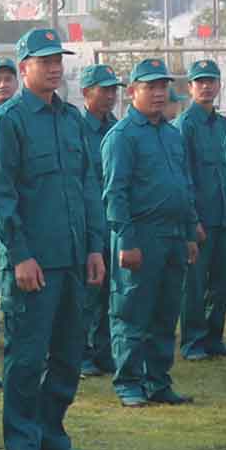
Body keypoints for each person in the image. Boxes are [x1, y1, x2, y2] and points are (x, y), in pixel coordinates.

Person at [0, 25, 105, 450]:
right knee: (27, 354)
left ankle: (52, 432)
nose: (54, 69)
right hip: (33, 260)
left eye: (58, 61)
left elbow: (88, 186)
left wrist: (94, 247)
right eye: (45, 61)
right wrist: (20, 255)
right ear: (24, 67)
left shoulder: (71, 119)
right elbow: (2, 195)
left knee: (70, 353)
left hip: (73, 256)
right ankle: (21, 441)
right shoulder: (9, 121)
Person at [100, 56, 198, 408]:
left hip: (173, 235)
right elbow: (115, 192)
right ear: (132, 91)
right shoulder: (122, 137)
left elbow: (185, 184)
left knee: (165, 312)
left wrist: (189, 232)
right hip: (140, 235)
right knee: (131, 311)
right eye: (150, 87)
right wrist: (126, 241)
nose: (159, 93)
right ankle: (129, 382)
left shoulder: (172, 135)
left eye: (163, 86)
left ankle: (158, 381)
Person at [177, 58, 226, 362]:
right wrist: (192, 220)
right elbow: (183, 176)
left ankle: (214, 337)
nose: (206, 87)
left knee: (220, 283)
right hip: (199, 217)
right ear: (190, 87)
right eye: (200, 82)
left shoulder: (224, 125)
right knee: (195, 283)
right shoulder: (185, 126)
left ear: (219, 85)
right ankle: (193, 341)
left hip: (222, 216)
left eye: (211, 81)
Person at [74, 61, 124, 379]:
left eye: (113, 90)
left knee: (110, 292)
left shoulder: (117, 129)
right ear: (86, 93)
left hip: (114, 224)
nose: (109, 96)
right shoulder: (77, 129)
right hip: (87, 222)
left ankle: (104, 351)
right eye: (103, 90)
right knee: (86, 293)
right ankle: (80, 353)